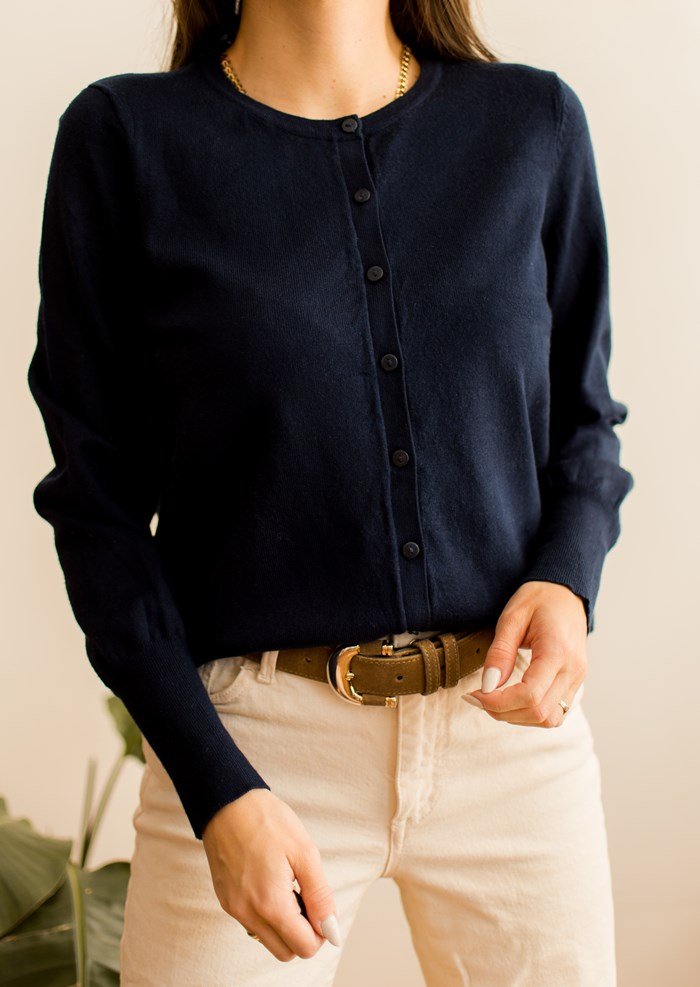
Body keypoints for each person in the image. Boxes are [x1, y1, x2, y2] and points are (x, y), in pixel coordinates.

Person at [27, 0, 634, 983]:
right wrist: (217, 790)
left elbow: (585, 426)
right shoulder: (127, 140)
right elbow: (95, 505)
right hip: (252, 750)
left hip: (510, 741)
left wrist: (565, 581)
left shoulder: (532, 125)